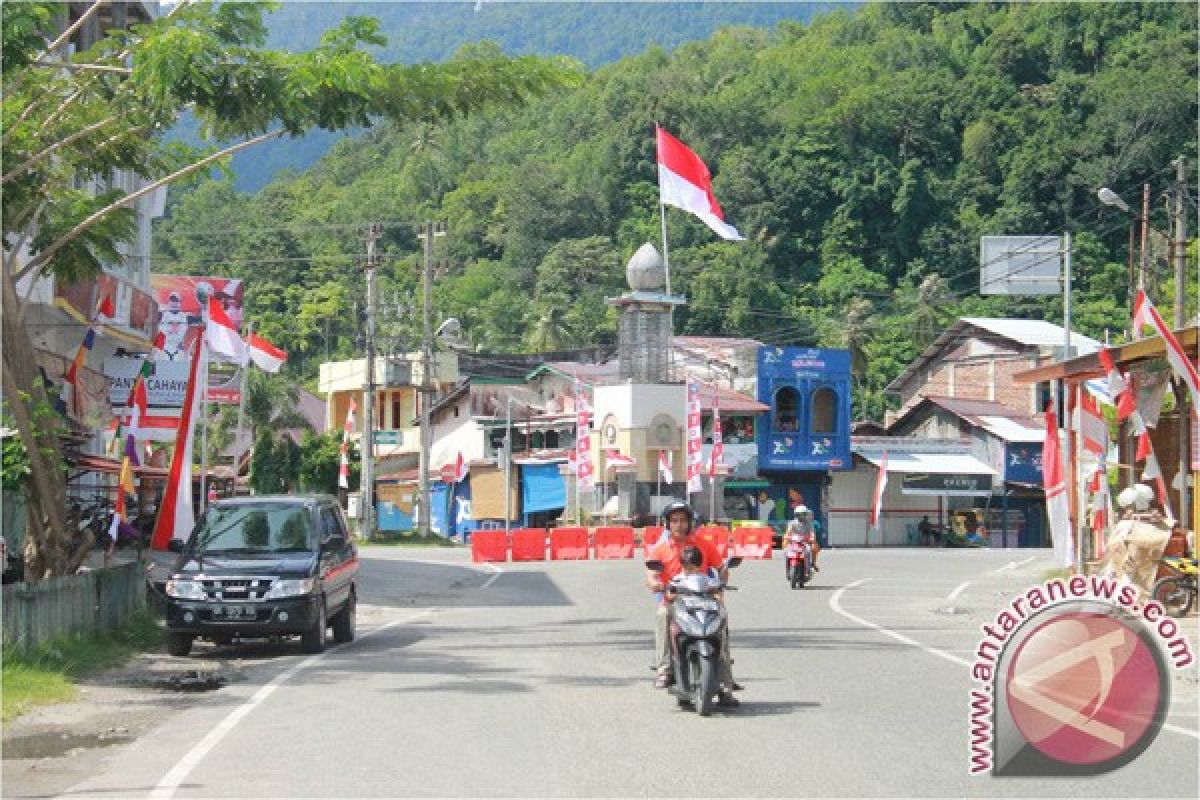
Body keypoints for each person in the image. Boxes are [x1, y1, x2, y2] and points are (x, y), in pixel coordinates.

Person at [646, 501, 739, 706]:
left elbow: (721, 567)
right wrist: (655, 584)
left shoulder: (704, 545)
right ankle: (664, 669)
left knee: (722, 622)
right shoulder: (660, 549)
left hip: (705, 599)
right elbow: (651, 575)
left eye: (683, 521)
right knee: (662, 614)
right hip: (675, 600)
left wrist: (721, 581)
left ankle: (726, 681)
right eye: (674, 521)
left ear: (690, 523)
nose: (679, 525)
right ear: (668, 524)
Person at [786, 505, 819, 571]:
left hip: (806, 541)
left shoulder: (809, 523)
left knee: (813, 548)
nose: (800, 516)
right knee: (786, 550)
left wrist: (812, 538)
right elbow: (788, 532)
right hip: (794, 541)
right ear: (795, 515)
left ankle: (813, 563)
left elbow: (812, 532)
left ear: (806, 514)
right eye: (798, 514)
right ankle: (787, 567)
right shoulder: (792, 523)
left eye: (802, 514)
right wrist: (787, 536)